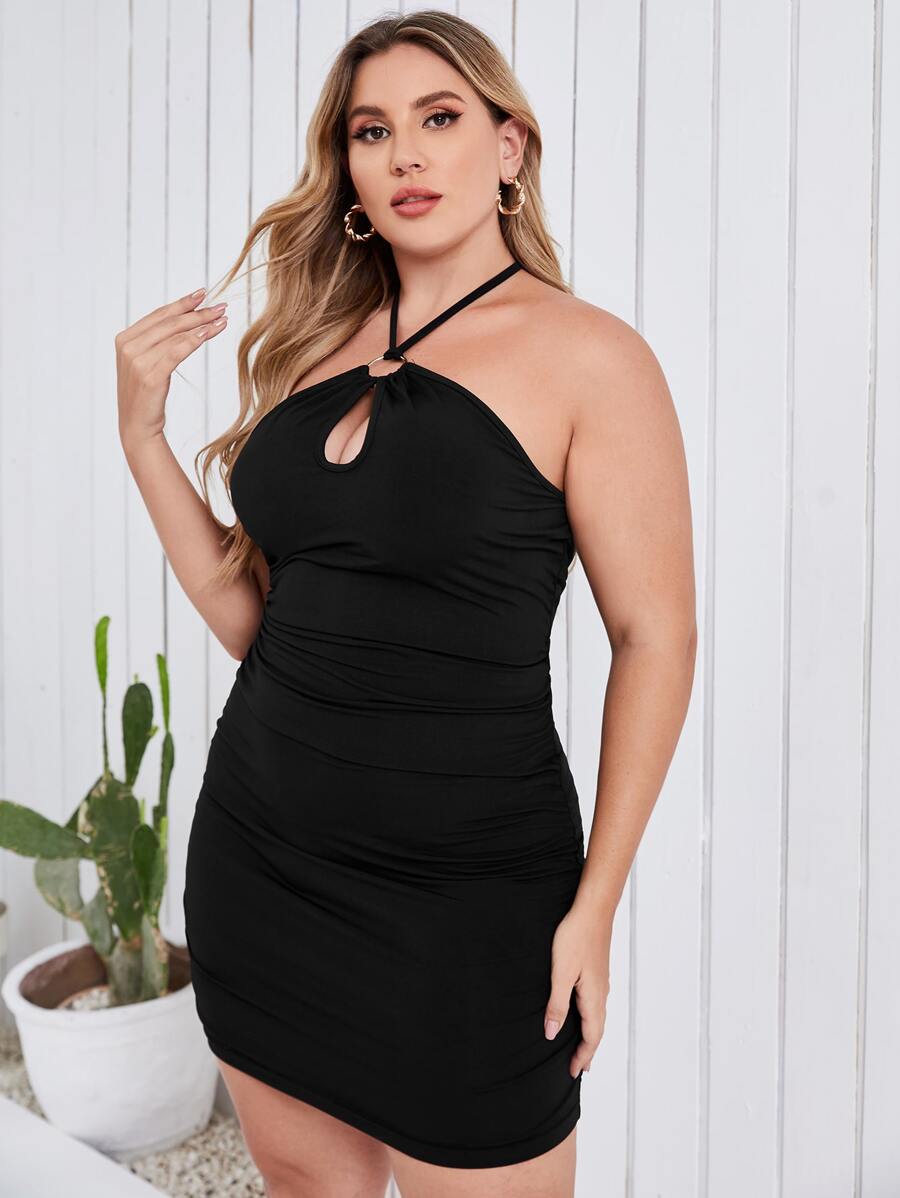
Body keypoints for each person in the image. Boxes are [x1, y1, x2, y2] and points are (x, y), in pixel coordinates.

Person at [116, 11, 695, 1198]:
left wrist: (596, 905)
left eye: (440, 118)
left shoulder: (593, 359)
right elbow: (256, 622)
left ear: (509, 147)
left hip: (471, 906)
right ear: (347, 168)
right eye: (372, 131)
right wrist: (142, 436)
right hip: (262, 870)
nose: (406, 154)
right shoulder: (312, 347)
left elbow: (655, 636)